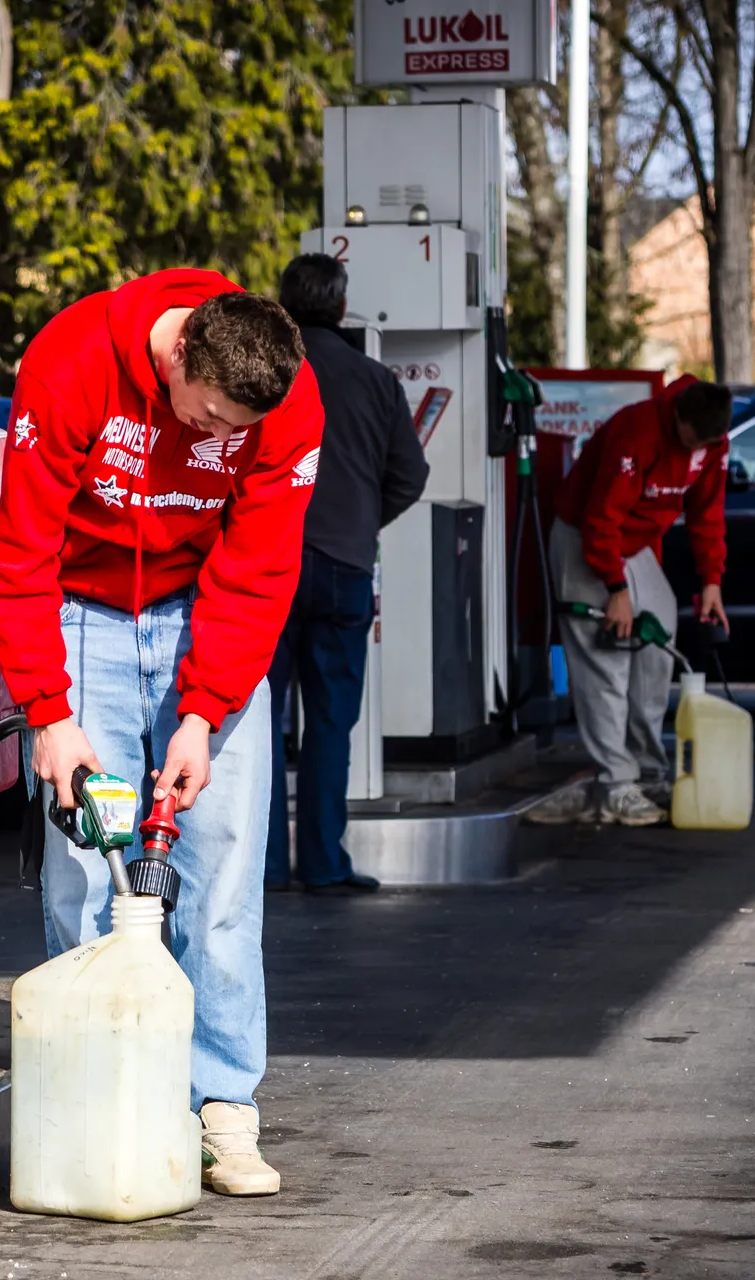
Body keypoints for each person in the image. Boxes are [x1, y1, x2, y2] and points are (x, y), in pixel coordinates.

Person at [0, 269, 323, 1197]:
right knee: (90, 866)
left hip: (204, 616)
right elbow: (18, 554)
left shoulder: (281, 403)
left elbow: (260, 567)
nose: (221, 440)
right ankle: (98, 1092)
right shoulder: (73, 359)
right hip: (81, 613)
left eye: (237, 431)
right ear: (175, 358)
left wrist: (206, 709)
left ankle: (221, 1107)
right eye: (208, 417)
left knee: (218, 867)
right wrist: (48, 714)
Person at [265, 254, 430, 894]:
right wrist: (363, 522)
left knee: (258, 721)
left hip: (269, 566)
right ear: (340, 306)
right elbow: (410, 477)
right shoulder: (376, 380)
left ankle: (266, 868)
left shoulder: (268, 373)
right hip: (344, 569)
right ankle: (326, 865)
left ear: (283, 305)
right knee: (331, 721)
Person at [529, 376, 733, 826]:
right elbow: (601, 517)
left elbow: (706, 512)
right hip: (587, 537)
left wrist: (711, 581)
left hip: (635, 545)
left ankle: (647, 769)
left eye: (706, 443)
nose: (694, 449)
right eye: (689, 438)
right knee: (607, 656)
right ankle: (615, 782)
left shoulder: (712, 441)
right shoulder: (636, 432)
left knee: (657, 643)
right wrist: (616, 591)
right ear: (678, 413)